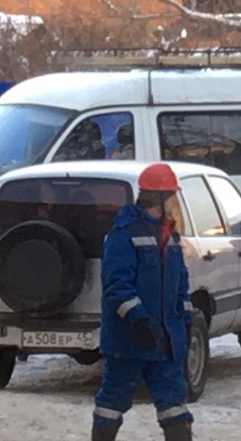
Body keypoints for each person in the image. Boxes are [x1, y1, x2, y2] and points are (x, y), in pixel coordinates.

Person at [92, 163, 193, 441]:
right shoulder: (122, 234)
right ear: (158, 200)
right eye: (172, 196)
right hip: (129, 342)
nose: (175, 203)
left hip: (165, 341)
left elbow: (181, 285)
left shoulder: (169, 235)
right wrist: (137, 319)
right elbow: (116, 285)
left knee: (174, 406)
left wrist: (185, 322)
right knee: (112, 403)